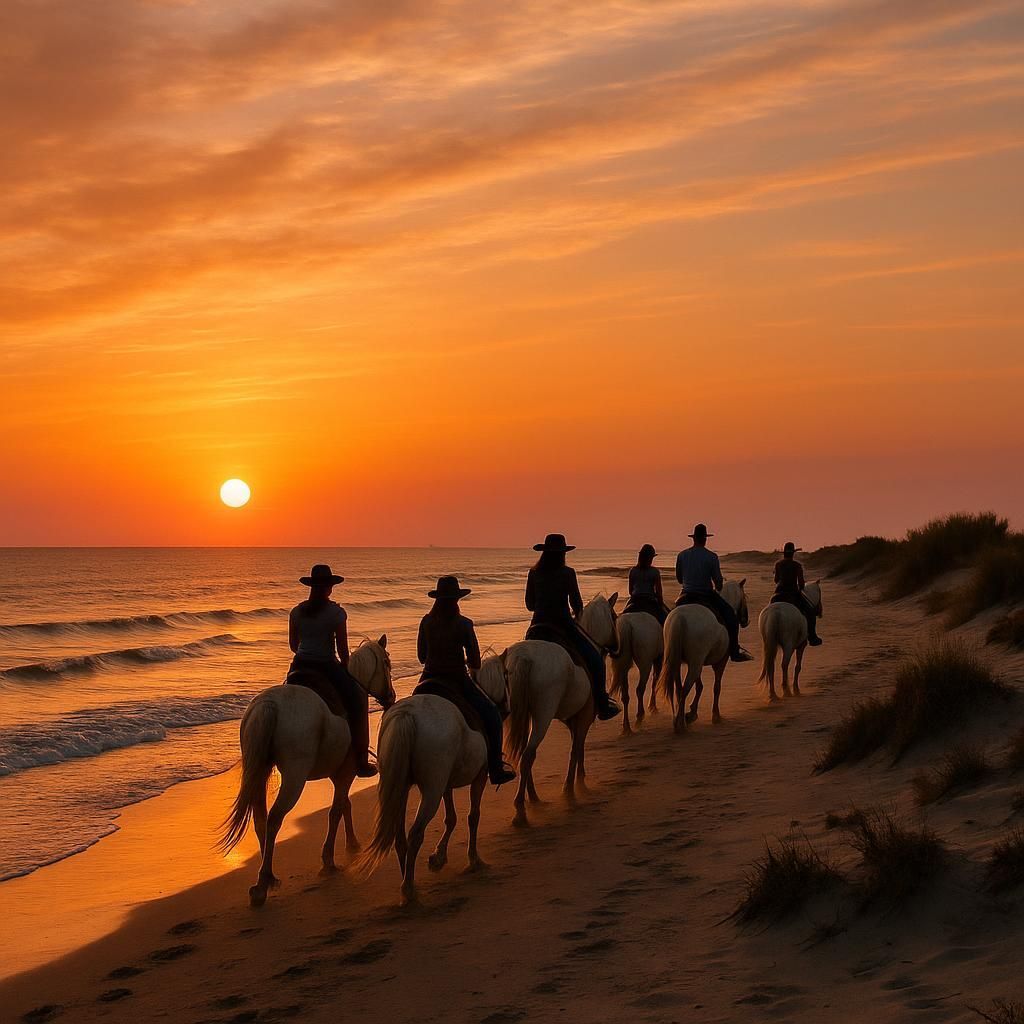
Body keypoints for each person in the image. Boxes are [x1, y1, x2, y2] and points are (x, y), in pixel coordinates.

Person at [415, 576, 516, 786]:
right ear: (457, 599)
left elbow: (422, 657)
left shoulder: (426, 621)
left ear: (437, 599)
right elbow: (475, 662)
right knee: (492, 715)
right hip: (457, 680)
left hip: (427, 680)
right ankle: (496, 769)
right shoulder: (464, 624)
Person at [288, 563, 377, 778]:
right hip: (325, 665)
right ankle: (361, 760)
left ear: (311, 586)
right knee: (358, 699)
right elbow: (343, 652)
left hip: (299, 666)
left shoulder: (297, 612)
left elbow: (293, 645)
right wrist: (346, 667)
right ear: (329, 587)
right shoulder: (336, 613)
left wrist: (307, 651)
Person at [524, 534, 621, 720]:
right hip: (563, 625)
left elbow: (529, 604)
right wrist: (575, 613)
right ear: (563, 553)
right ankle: (602, 705)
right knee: (595, 660)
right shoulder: (568, 573)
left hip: (537, 626)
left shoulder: (534, 573)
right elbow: (577, 604)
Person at [675, 524, 753, 662]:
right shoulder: (711, 557)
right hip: (705, 594)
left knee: (670, 617)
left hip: (685, 595)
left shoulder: (682, 555)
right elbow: (718, 584)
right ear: (705, 539)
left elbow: (680, 579)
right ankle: (734, 652)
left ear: (693, 538)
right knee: (731, 616)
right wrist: (718, 583)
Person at [771, 542, 822, 646]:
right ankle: (812, 637)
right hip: (793, 594)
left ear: (784, 553)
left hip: (778, 594)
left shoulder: (778, 564)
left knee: (769, 609)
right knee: (810, 612)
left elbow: (776, 580)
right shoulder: (797, 565)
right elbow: (802, 584)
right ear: (793, 553)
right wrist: (799, 586)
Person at [622, 543, 668, 624]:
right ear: (650, 558)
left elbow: (630, 591)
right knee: (667, 620)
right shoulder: (655, 572)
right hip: (650, 600)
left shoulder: (633, 571)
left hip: (635, 600)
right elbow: (659, 592)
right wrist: (661, 603)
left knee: (620, 619)